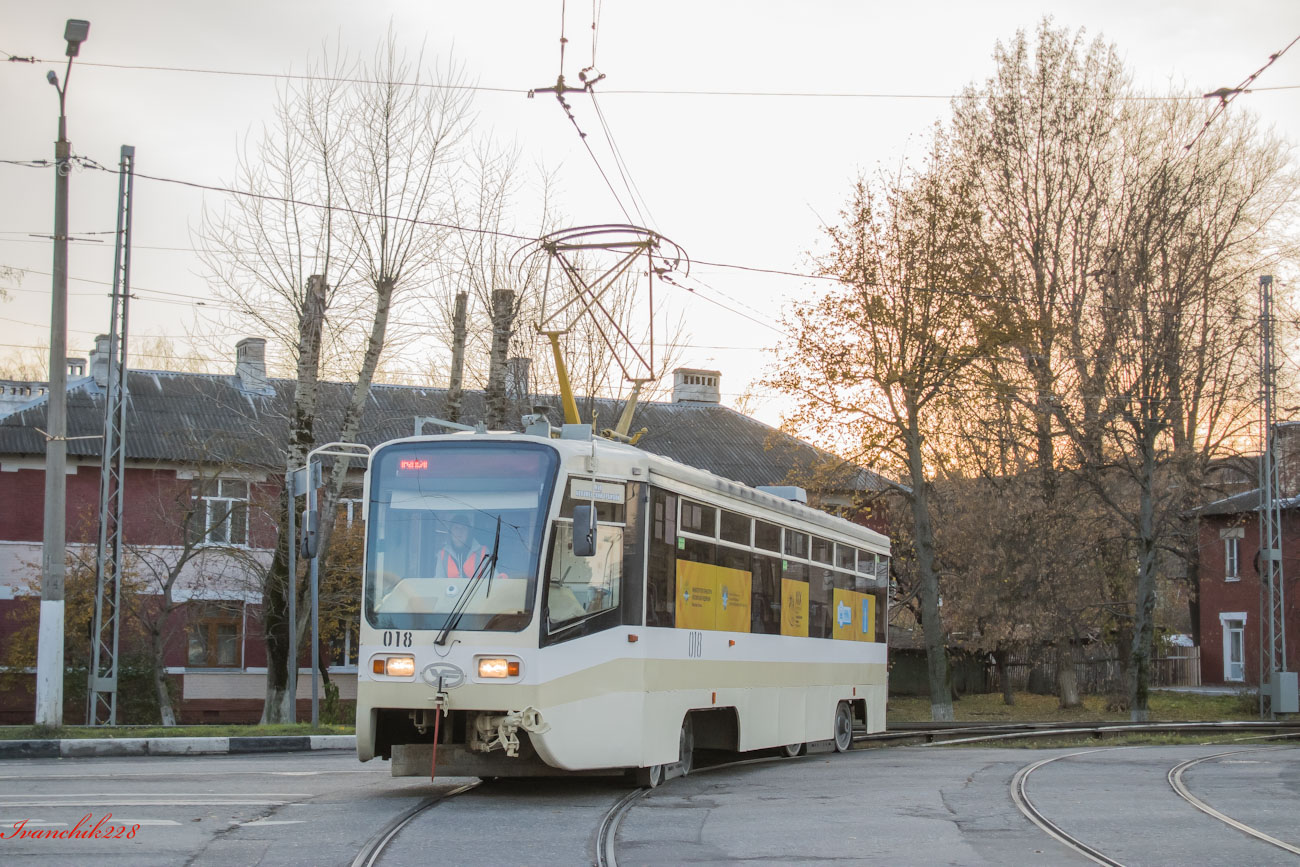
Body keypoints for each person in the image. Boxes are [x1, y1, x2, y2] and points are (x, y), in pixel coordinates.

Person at [434, 512, 489, 581]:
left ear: (469, 532)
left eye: (464, 528)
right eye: (456, 528)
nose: (460, 531)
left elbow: (491, 576)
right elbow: (439, 580)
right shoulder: (443, 554)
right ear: (450, 532)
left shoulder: (482, 551)